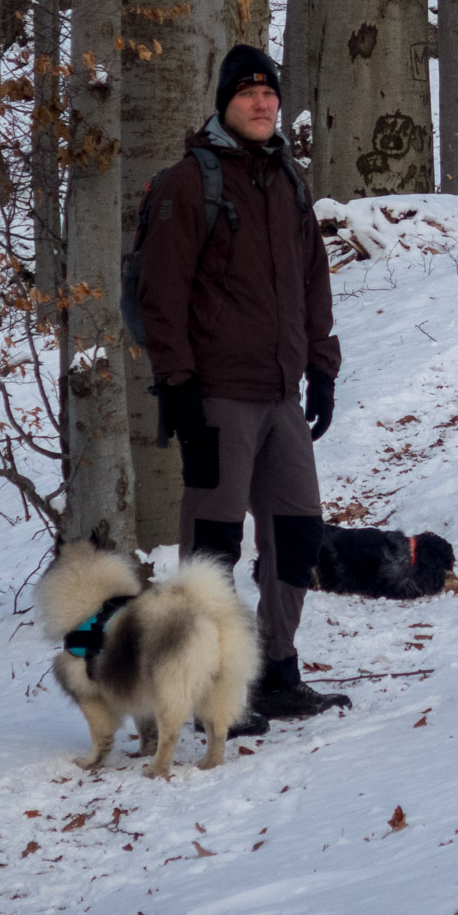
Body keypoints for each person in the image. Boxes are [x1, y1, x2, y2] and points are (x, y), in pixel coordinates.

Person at [134, 44, 351, 723]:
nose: (262, 102)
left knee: (298, 532)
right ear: (225, 102)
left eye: (270, 92)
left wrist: (322, 365)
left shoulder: (288, 179)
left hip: (281, 393)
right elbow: (159, 295)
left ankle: (275, 671)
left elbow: (313, 279)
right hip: (217, 395)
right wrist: (177, 387)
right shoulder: (184, 184)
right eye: (248, 92)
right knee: (213, 547)